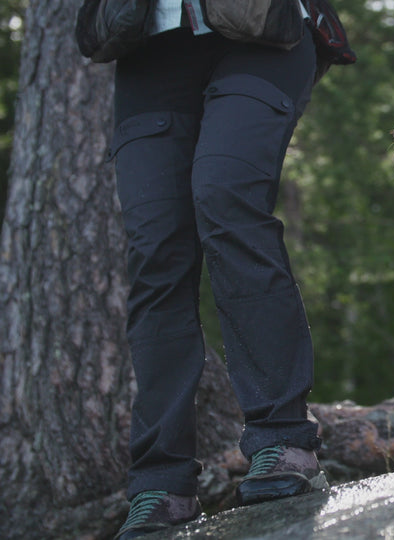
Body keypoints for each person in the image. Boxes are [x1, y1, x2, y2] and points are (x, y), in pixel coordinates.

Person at [76, 2, 353, 538]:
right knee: (157, 252)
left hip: (261, 34)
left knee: (226, 199)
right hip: (146, 46)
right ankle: (161, 482)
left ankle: (283, 441)